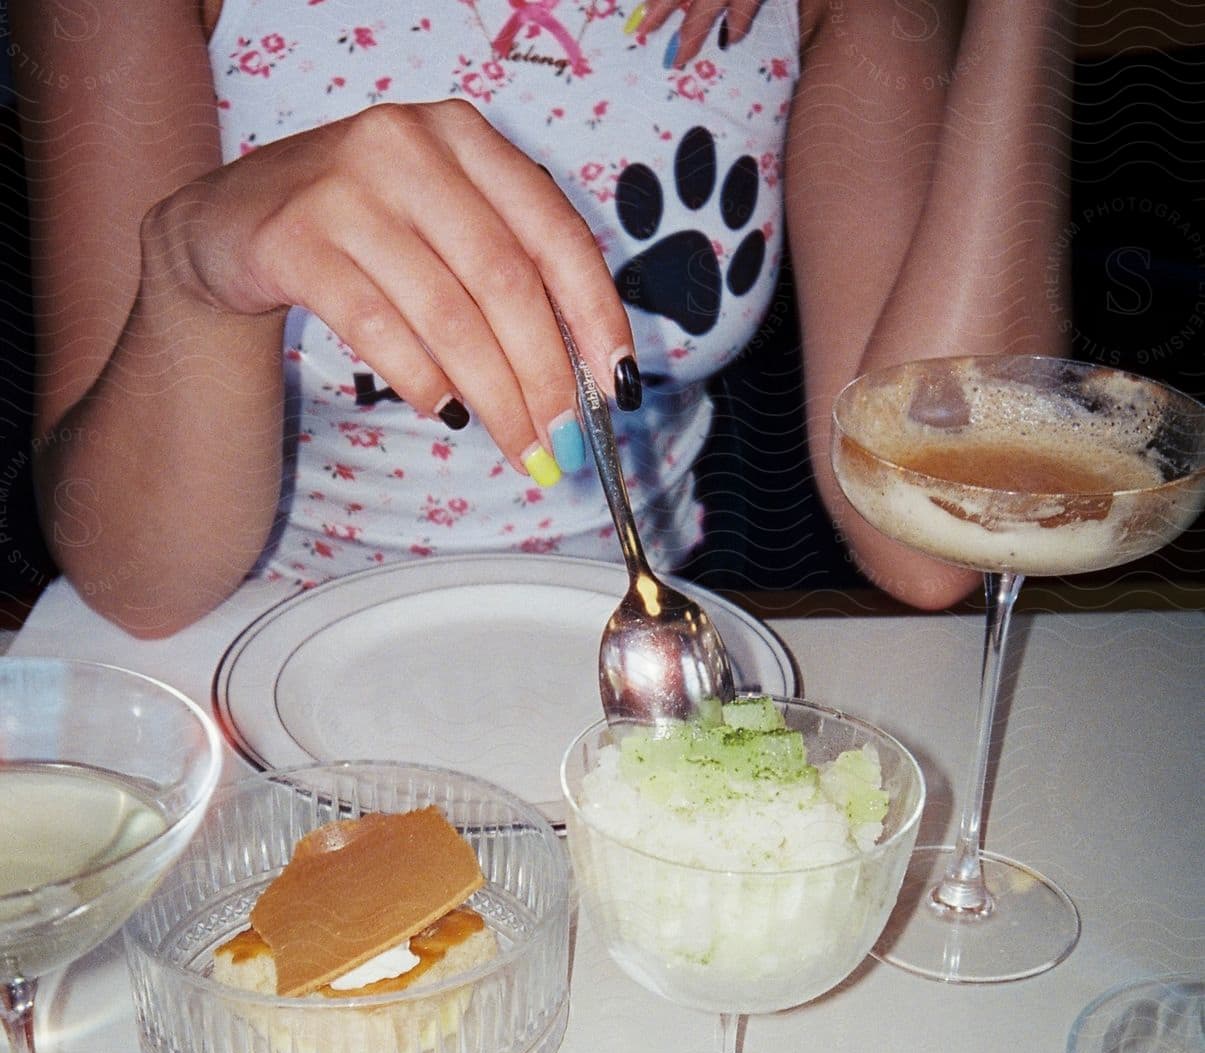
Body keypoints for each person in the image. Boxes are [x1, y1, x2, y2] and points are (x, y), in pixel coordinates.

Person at [10, 0, 1072, 636]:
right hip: (224, 647)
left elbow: (933, 544)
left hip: (621, 676)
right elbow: (134, 583)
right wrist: (204, 274)